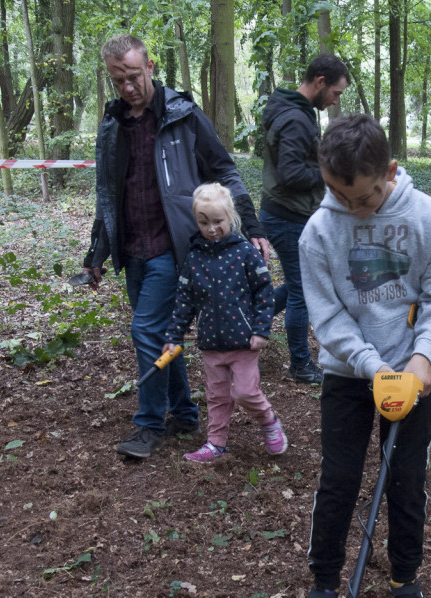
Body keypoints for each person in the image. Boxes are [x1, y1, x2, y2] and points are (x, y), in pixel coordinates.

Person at [293, 114, 431, 598]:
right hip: (347, 374)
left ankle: (406, 580)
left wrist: (422, 358)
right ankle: (324, 583)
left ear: (390, 171)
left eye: (363, 198)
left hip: (413, 377)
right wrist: (371, 366)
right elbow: (326, 316)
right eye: (336, 194)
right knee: (338, 478)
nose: (349, 208)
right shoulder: (317, 231)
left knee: (407, 481)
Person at [81, 34, 270, 460]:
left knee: (145, 331)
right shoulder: (112, 124)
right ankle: (184, 414)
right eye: (118, 81)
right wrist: (98, 253)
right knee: (165, 337)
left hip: (174, 246)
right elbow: (106, 192)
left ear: (148, 67)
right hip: (132, 249)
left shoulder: (183, 116)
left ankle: (149, 424)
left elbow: (224, 168)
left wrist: (251, 224)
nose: (127, 88)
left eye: (132, 77)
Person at [162, 183, 287, 462]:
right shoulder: (194, 258)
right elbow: (184, 301)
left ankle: (268, 421)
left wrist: (261, 330)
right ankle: (216, 443)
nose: (212, 228)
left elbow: (265, 293)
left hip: (244, 341)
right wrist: (174, 336)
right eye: (203, 222)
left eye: (218, 221)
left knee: (244, 392)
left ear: (231, 217)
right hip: (211, 343)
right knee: (217, 396)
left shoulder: (246, 253)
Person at [260, 54, 350, 384]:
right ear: (320, 81)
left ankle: (250, 321)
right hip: (286, 215)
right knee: (302, 291)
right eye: (336, 93)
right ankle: (300, 364)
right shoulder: (295, 119)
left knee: (298, 285)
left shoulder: (295, 111)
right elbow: (291, 174)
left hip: (285, 212)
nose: (335, 100)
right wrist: (329, 171)